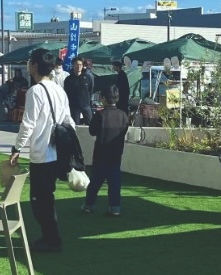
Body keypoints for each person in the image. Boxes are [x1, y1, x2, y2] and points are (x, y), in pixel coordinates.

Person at [8, 47, 75, 253]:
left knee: (40, 200)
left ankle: (52, 239)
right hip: (57, 152)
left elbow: (28, 124)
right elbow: (69, 121)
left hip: (42, 153)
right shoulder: (59, 90)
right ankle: (50, 237)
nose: (28, 65)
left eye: (30, 61)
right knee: (47, 197)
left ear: (35, 66)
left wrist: (17, 147)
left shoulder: (35, 91)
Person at [84, 84, 130, 216]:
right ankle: (115, 207)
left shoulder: (100, 115)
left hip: (100, 154)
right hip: (116, 154)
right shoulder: (123, 115)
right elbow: (124, 130)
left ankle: (89, 205)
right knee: (115, 183)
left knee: (95, 183)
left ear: (103, 98)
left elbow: (92, 131)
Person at [63, 58, 93, 123]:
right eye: (76, 64)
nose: (78, 66)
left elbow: (90, 90)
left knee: (90, 123)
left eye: (80, 65)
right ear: (73, 65)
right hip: (74, 106)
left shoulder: (88, 77)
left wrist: (88, 101)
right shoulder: (68, 79)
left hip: (86, 105)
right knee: (75, 124)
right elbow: (66, 93)